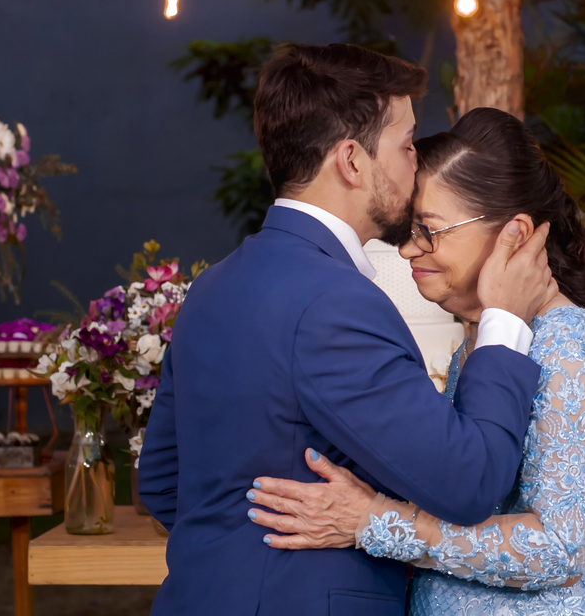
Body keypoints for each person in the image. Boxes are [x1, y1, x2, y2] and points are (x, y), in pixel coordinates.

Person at [138, 45, 557, 616]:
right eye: (407, 145)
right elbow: (468, 480)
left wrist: (243, 551)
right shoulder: (336, 303)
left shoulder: (213, 286)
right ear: (353, 161)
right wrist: (505, 320)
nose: (416, 164)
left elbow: (163, 484)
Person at [245, 108, 585, 616]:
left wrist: (375, 521)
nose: (408, 249)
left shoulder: (570, 346)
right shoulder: (480, 343)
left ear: (514, 233)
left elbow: (560, 548)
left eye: (429, 230)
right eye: (409, 229)